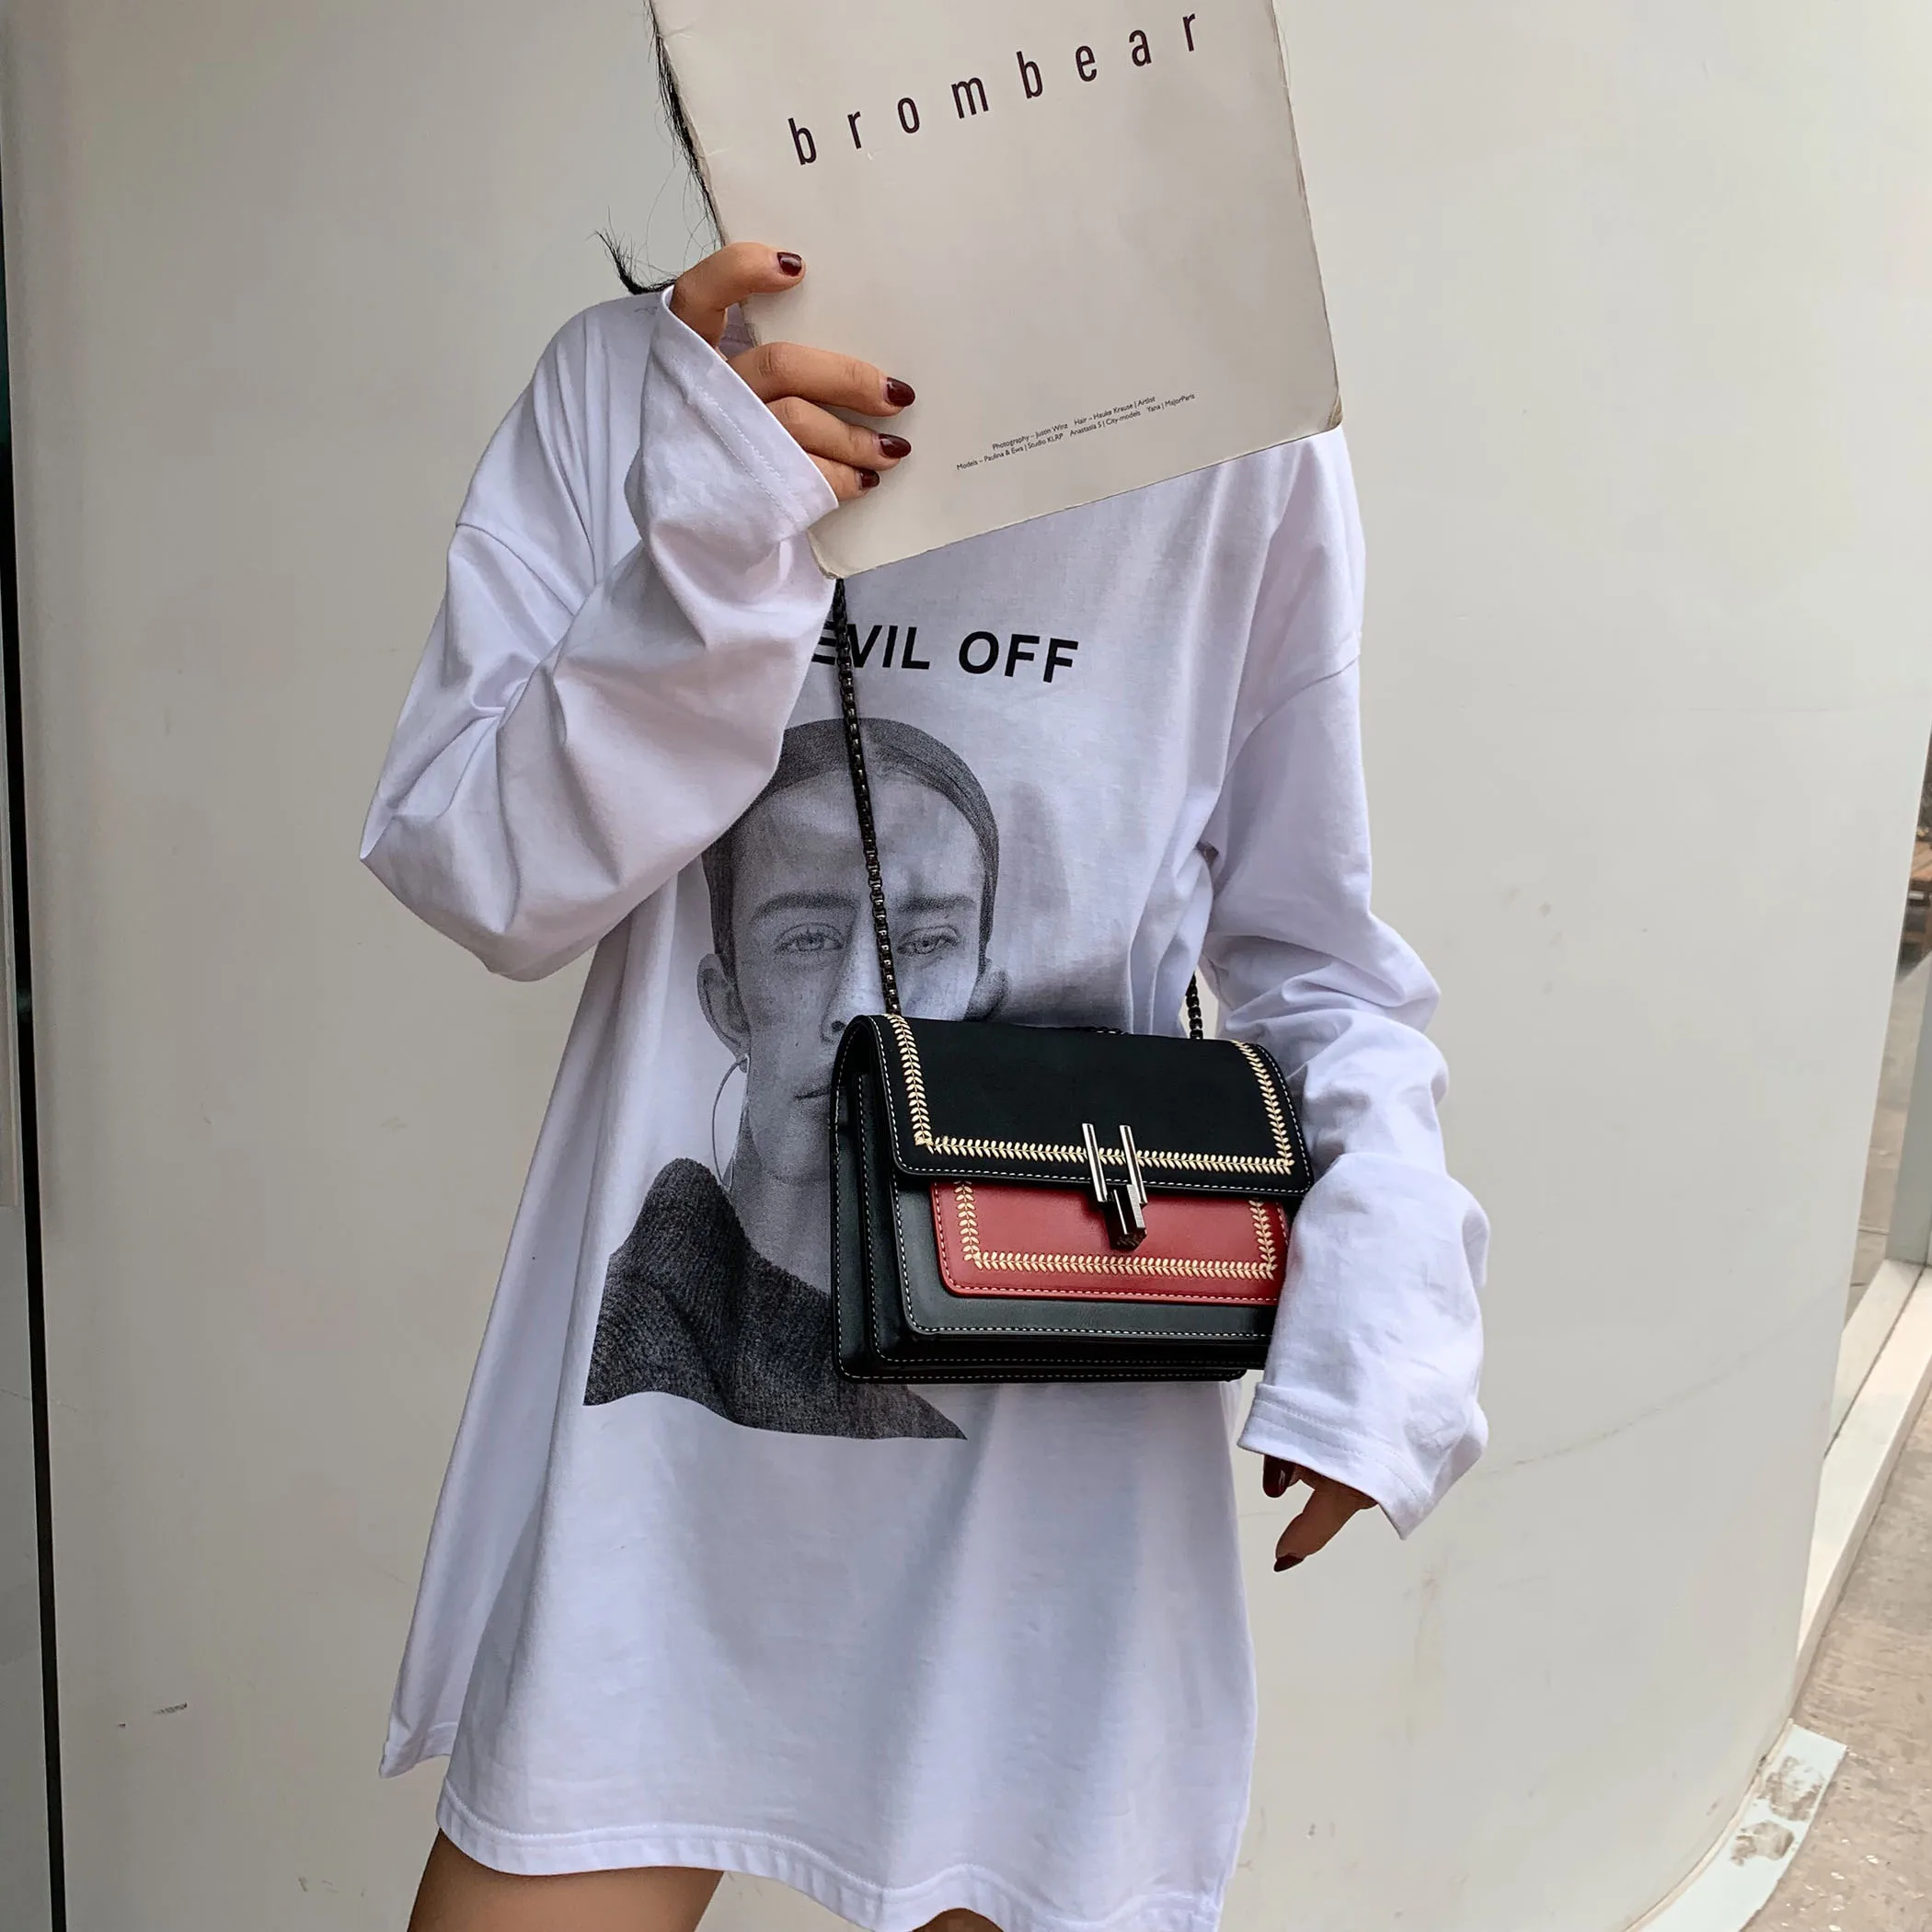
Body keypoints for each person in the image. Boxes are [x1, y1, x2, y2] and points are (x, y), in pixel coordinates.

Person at [363, 56, 1489, 1932]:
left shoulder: (1232, 439)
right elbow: (489, 873)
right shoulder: (624, 392)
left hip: (1061, 1421)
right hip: (665, 1448)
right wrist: (718, 545)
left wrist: (1384, 1295)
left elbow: (1311, 953)